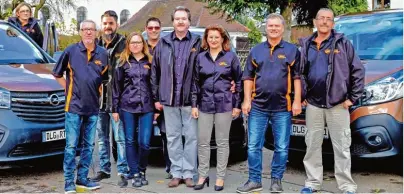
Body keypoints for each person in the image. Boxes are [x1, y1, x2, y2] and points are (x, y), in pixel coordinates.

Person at [299, 8, 364, 194]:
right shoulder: (306, 45)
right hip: (313, 104)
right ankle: (312, 183)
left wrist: (352, 97)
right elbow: (300, 73)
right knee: (312, 145)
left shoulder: (343, 44)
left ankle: (347, 186)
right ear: (315, 21)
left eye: (328, 19)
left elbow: (358, 71)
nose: (325, 22)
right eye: (321, 18)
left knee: (342, 146)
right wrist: (303, 96)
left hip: (338, 104)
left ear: (333, 24)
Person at [236, 13, 302, 193]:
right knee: (253, 146)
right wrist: (246, 100)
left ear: (282, 28)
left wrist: (297, 101)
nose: (273, 28)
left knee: (281, 147)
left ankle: (276, 180)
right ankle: (254, 180)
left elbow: (297, 77)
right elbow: (248, 77)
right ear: (266, 28)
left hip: (283, 107)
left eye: (277, 26)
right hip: (258, 107)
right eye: (270, 25)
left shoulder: (292, 50)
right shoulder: (256, 50)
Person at [52, 20, 108, 193]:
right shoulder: (70, 51)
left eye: (91, 29)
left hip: (92, 108)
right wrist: (69, 89)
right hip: (74, 107)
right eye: (85, 29)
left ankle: (82, 179)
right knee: (71, 146)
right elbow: (57, 73)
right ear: (80, 32)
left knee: (89, 146)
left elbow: (103, 80)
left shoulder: (103, 54)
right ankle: (69, 182)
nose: (88, 32)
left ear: (96, 32)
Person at [151, 6, 202, 188]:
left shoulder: (198, 43)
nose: (180, 21)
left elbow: (203, 71)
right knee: (172, 137)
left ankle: (188, 173)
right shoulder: (162, 44)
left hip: (190, 100)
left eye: (184, 18)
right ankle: (176, 173)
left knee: (191, 137)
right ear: (172, 22)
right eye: (177, 18)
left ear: (189, 22)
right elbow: (154, 73)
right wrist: (156, 98)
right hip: (168, 100)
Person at [191, 24, 242, 191]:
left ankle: (220, 178)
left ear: (222, 39)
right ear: (206, 39)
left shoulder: (230, 58)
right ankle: (203, 175)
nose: (213, 40)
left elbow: (239, 81)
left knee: (222, 143)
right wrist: (194, 105)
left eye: (216, 37)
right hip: (204, 104)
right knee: (203, 142)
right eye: (210, 37)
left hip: (224, 105)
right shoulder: (200, 58)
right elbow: (195, 83)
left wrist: (237, 105)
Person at [90, 10, 129, 188]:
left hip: (116, 98)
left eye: (111, 23)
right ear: (101, 25)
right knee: (101, 137)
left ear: (117, 24)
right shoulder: (94, 45)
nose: (108, 27)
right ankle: (104, 170)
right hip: (97, 99)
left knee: (120, 138)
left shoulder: (124, 44)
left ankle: (123, 171)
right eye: (105, 23)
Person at [112, 32, 154, 188]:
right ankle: (135, 173)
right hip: (127, 106)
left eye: (138, 42)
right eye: (132, 42)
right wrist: (115, 109)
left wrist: (156, 105)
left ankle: (142, 170)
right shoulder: (123, 63)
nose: (135, 45)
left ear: (143, 44)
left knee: (144, 142)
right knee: (130, 140)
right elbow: (116, 87)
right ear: (128, 45)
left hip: (147, 107)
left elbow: (154, 85)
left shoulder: (150, 62)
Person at [144, 17, 173, 179]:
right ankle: (138, 170)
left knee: (167, 133)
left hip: (163, 98)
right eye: (150, 28)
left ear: (160, 29)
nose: (153, 30)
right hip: (142, 98)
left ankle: (171, 167)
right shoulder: (140, 47)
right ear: (146, 29)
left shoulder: (167, 46)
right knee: (140, 135)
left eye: (156, 27)